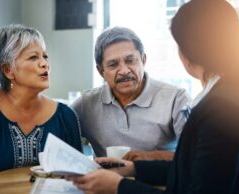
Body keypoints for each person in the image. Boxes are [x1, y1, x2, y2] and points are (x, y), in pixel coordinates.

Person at [68, 0, 239, 194]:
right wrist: (133, 169)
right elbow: (196, 170)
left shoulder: (222, 110)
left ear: (188, 53)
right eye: (113, 64)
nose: (123, 70)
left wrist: (119, 187)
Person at [0, 24, 82, 193]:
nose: (45, 64)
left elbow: (80, 182)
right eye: (33, 58)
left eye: (45, 56)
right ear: (8, 70)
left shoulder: (66, 117)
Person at [71, 26, 190, 161]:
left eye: (130, 60)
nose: (124, 71)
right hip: (105, 181)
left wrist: (148, 157)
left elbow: (194, 157)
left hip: (159, 181)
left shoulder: (176, 99)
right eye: (113, 64)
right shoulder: (86, 104)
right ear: (101, 71)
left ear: (143, 60)